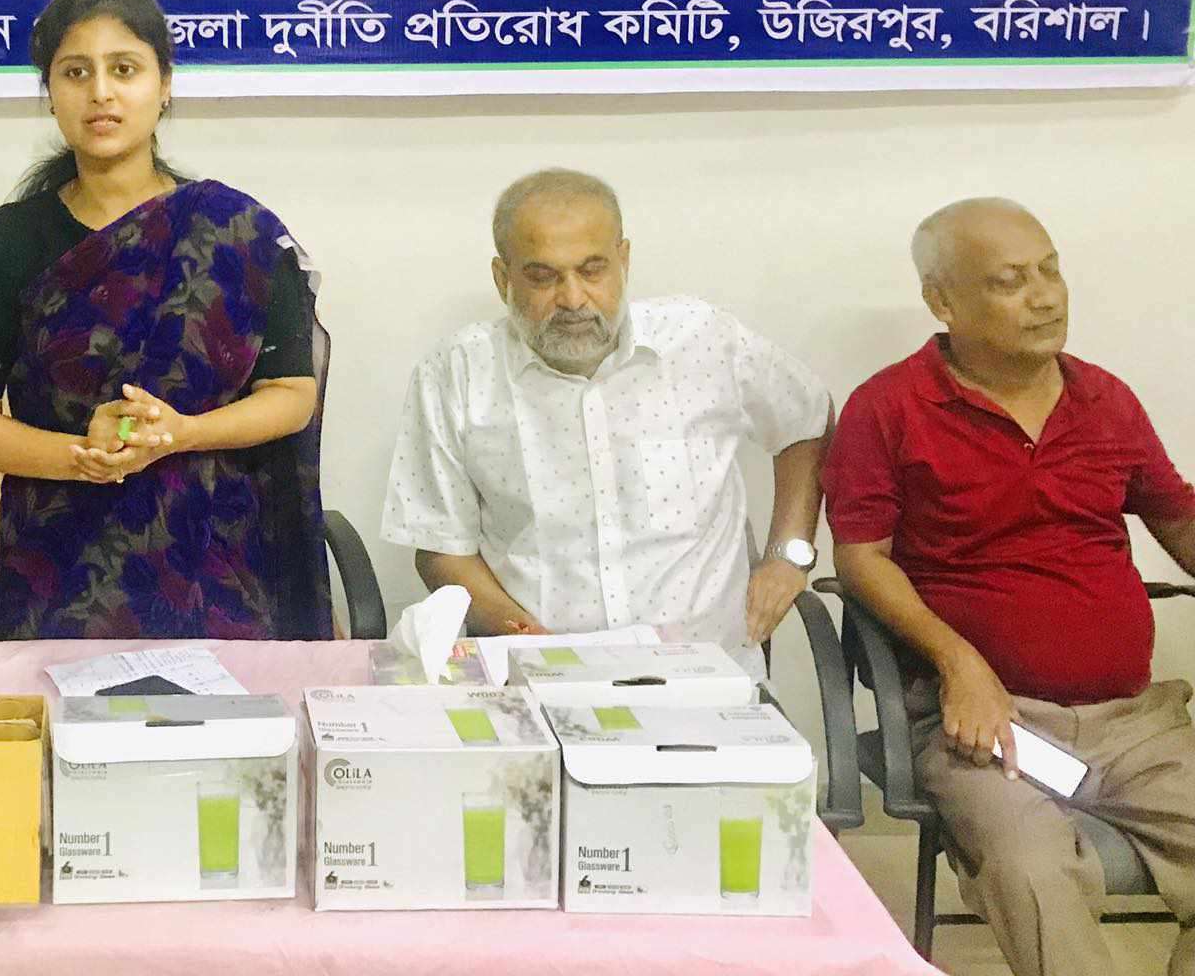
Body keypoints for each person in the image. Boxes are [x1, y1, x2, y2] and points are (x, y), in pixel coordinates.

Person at [825, 198, 1195, 976]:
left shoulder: (1106, 399)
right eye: (1010, 281)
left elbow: (1178, 519)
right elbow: (861, 559)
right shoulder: (888, 407)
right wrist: (959, 661)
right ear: (943, 301)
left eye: (1050, 271)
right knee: (1030, 867)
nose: (1045, 297)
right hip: (986, 727)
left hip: (1135, 722)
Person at [0, 0, 331, 640]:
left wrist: (180, 433)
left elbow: (291, 395)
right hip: (57, 580)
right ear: (50, 93)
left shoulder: (235, 230)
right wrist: (81, 456)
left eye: (124, 69)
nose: (100, 92)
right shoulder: (12, 238)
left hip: (218, 575)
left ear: (164, 84)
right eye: (75, 72)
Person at [381, 168, 832, 676]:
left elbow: (807, 418)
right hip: (539, 677)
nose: (573, 299)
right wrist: (535, 643)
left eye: (592, 271)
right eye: (543, 277)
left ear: (624, 260)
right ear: (503, 278)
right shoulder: (456, 374)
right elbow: (443, 550)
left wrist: (789, 556)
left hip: (709, 672)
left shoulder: (704, 340)